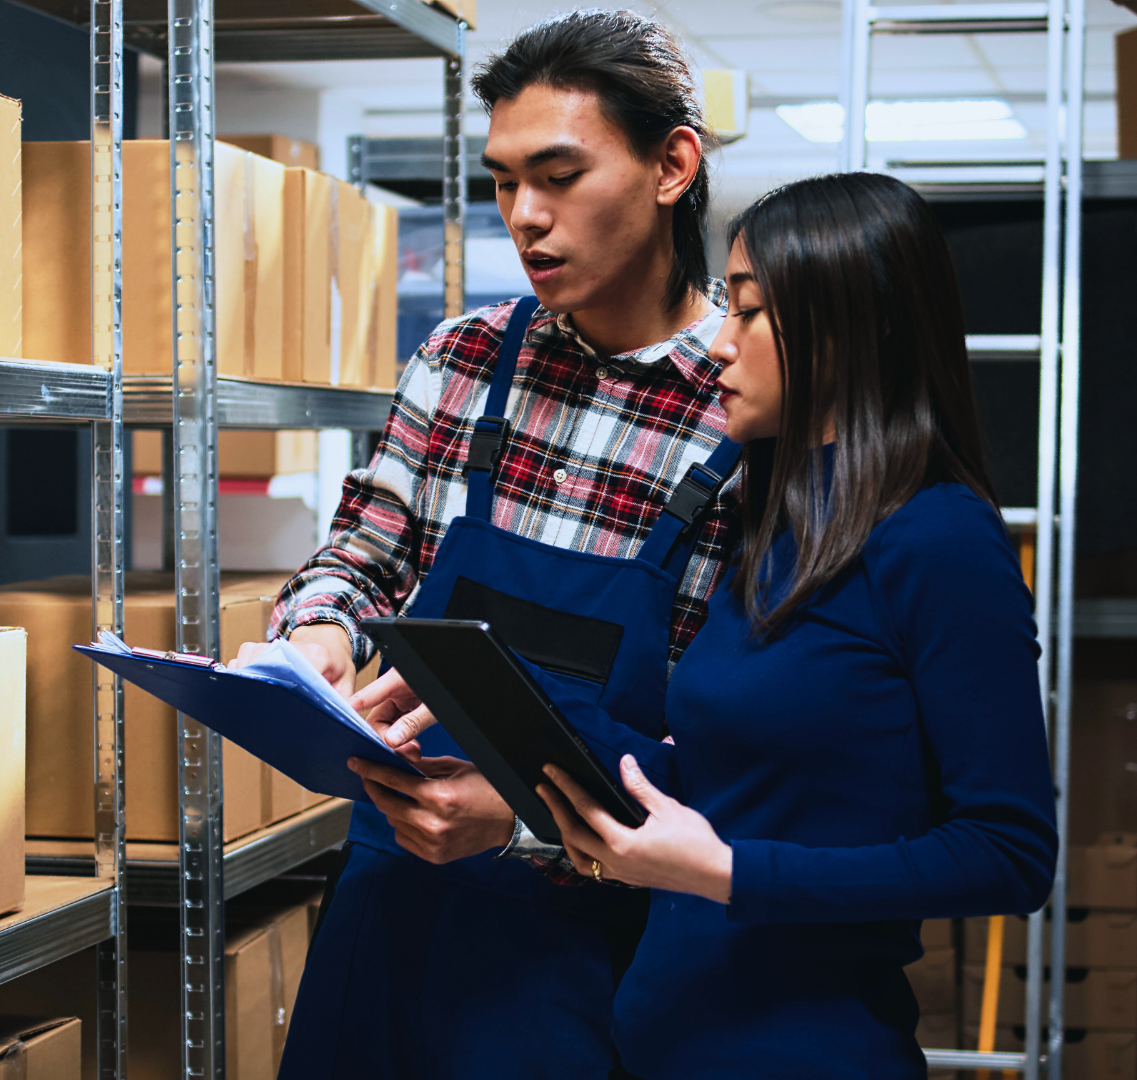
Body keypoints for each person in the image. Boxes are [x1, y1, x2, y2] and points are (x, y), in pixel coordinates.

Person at [229, 11, 741, 1078]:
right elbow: (360, 553)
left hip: (593, 941)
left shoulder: (742, 414)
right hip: (390, 894)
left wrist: (529, 821)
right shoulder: (464, 359)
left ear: (671, 166)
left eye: (559, 175)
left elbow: (738, 747)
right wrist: (318, 633)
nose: (525, 217)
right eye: (505, 182)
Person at [533, 172, 1059, 1080]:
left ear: (858, 330)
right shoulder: (778, 522)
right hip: (662, 1042)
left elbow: (1009, 854)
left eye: (748, 313)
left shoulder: (938, 540)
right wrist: (531, 711)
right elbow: (734, 786)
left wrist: (727, 874)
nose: (719, 349)